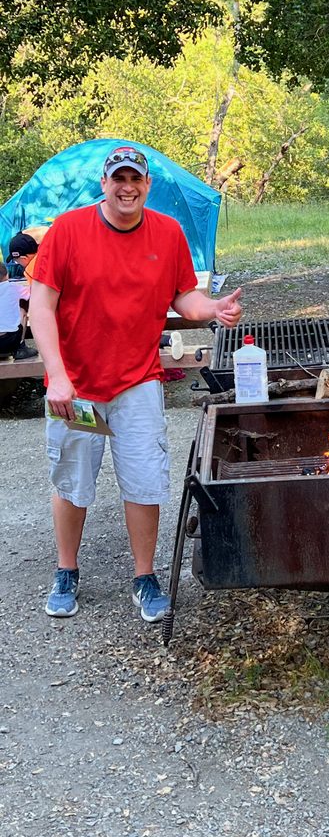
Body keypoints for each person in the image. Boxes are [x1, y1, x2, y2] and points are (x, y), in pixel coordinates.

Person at [30, 144, 242, 621]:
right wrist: (58, 377)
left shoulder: (167, 233)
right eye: (118, 178)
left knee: (145, 478)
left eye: (136, 179)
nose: (127, 187)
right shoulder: (66, 232)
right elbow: (41, 306)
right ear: (104, 184)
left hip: (137, 379)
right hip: (76, 385)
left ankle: (144, 578)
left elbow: (185, 297)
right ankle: (66, 570)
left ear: (147, 185)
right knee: (71, 478)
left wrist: (213, 309)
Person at [0, 260, 37, 359]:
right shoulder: (14, 288)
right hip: (10, 340)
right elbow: (32, 294)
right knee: (22, 310)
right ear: (7, 274)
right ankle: (20, 348)